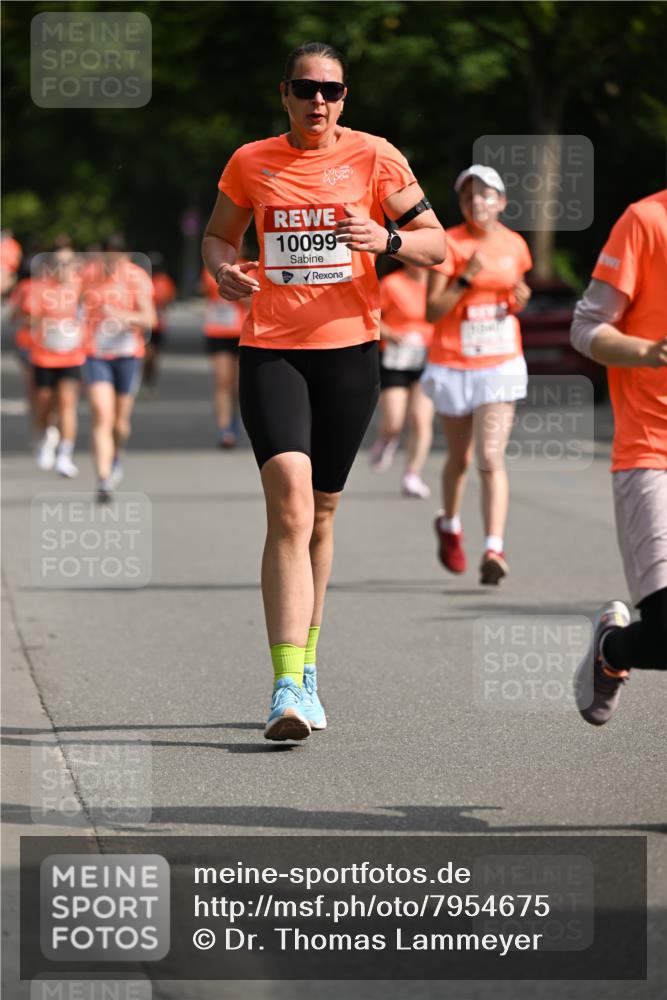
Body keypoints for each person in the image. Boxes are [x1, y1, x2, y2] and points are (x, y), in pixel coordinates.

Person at [202, 41, 445, 741]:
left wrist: (385, 238)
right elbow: (219, 238)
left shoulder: (375, 157)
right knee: (290, 503)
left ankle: (307, 668)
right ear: (284, 92)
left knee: (323, 514)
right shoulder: (251, 161)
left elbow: (437, 247)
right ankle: (283, 685)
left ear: (345, 98)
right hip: (271, 351)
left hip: (349, 355)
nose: (319, 101)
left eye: (332, 91)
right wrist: (224, 272)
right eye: (306, 88)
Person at [570, 189, 667, 725]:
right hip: (653, 450)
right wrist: (646, 352)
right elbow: (586, 328)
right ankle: (613, 651)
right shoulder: (647, 221)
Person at [423, 165, 532, 584]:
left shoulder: (516, 245)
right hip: (453, 361)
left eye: (486, 195)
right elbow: (432, 311)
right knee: (461, 457)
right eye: (469, 197)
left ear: (502, 202)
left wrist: (519, 298)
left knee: (490, 456)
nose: (478, 203)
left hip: (501, 361)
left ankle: (494, 548)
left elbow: (513, 294)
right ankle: (449, 523)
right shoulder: (448, 244)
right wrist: (465, 278)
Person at [81, 234, 156, 502]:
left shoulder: (136, 278)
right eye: (108, 254)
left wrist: (122, 316)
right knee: (102, 414)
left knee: (120, 423)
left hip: (128, 354)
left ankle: (116, 454)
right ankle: (103, 480)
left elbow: (150, 319)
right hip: (96, 353)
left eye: (118, 254)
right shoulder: (88, 275)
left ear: (126, 255)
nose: (113, 259)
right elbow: (71, 303)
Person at [369, 262, 435, 498]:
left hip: (428, 357)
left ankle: (412, 475)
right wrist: (391, 334)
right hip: (396, 357)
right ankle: (387, 439)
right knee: (394, 421)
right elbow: (373, 316)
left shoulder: (438, 282)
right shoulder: (392, 284)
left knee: (420, 419)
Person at [25, 242, 86, 477]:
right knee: (44, 402)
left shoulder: (82, 288)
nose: (64, 268)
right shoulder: (40, 288)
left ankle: (65, 455)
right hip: (44, 356)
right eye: (59, 263)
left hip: (72, 356)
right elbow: (30, 317)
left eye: (69, 263)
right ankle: (47, 433)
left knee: (67, 404)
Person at [200, 262, 248, 447]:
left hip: (240, 331)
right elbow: (206, 291)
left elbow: (253, 300)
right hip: (217, 330)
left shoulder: (248, 268)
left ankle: (234, 418)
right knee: (222, 381)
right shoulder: (212, 267)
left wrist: (238, 293)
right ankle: (224, 428)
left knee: (237, 386)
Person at [142, 252, 176, 393]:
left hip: (159, 325)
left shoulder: (165, 281)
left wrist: (160, 305)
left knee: (153, 357)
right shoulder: (142, 279)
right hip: (145, 324)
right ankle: (144, 380)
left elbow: (170, 299)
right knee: (147, 354)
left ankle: (149, 381)